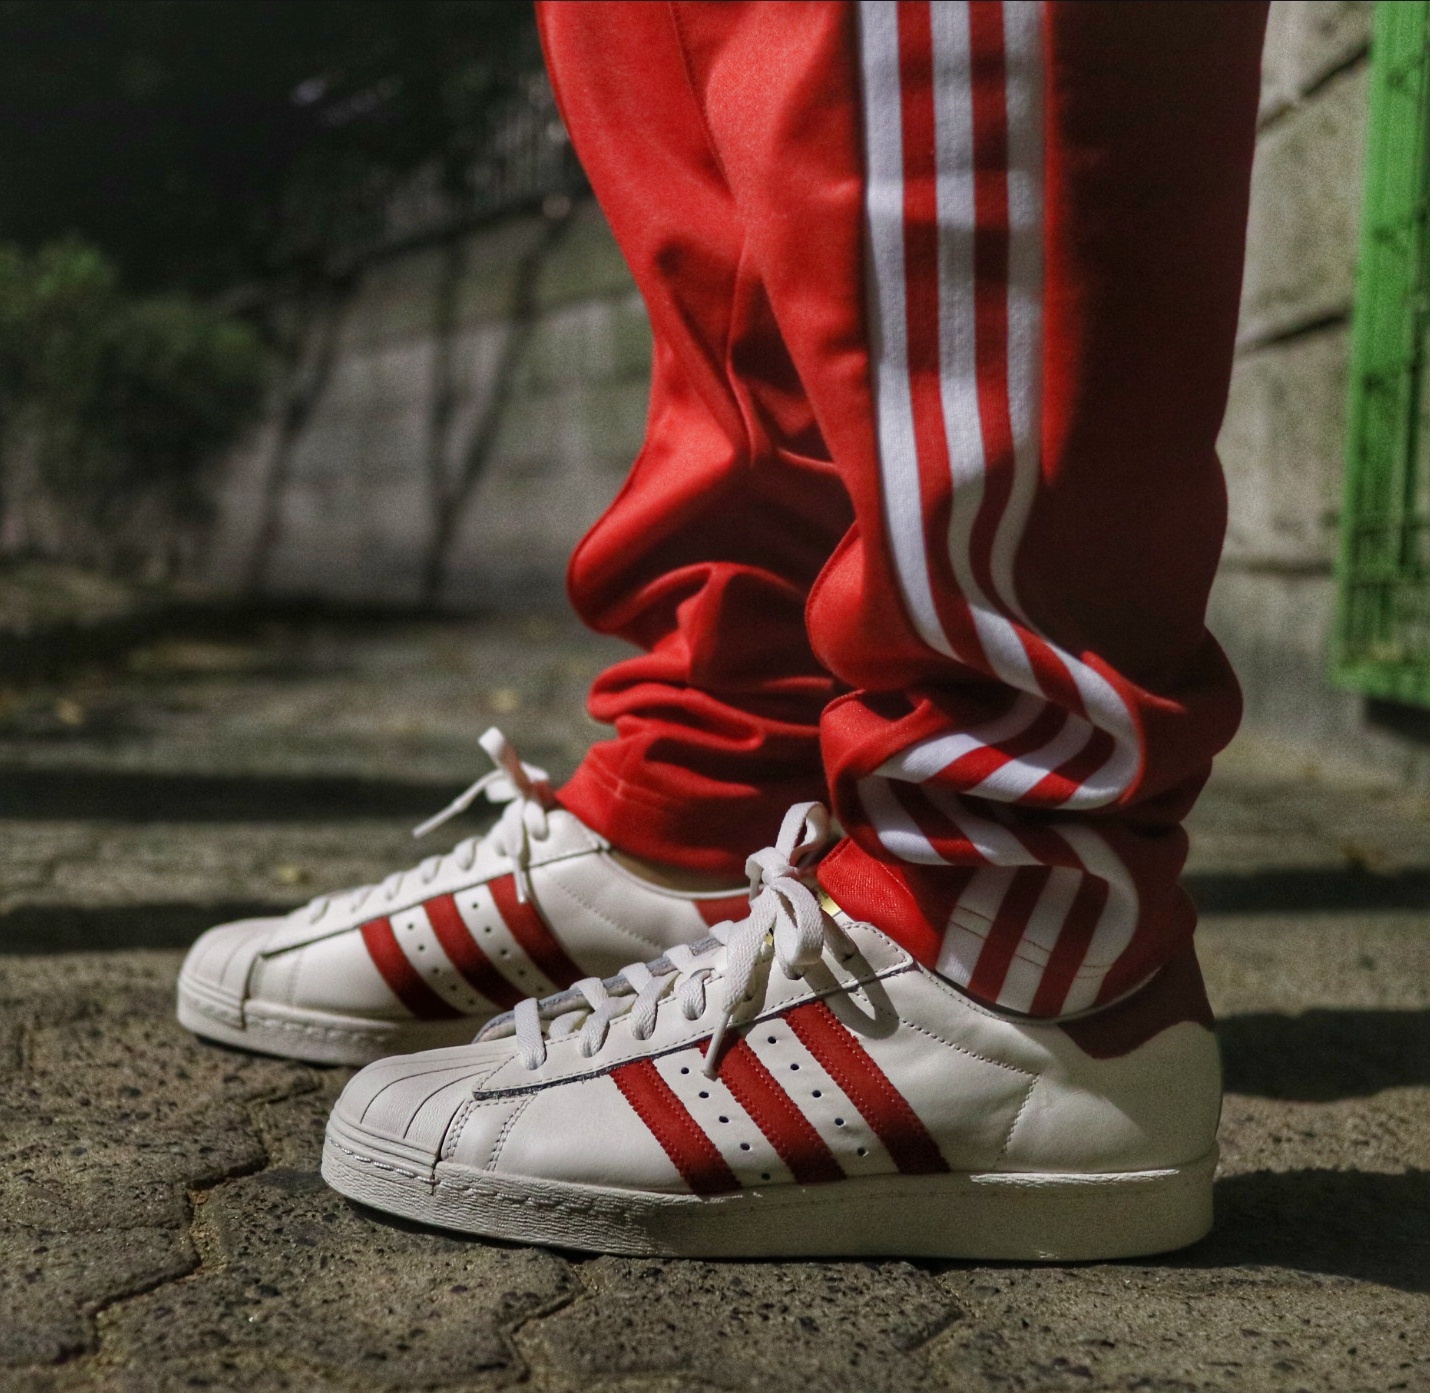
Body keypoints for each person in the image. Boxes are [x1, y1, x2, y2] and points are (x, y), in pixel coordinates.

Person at [178, 0, 1267, 1260]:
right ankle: (711, 798)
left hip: (1012, 947)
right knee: (700, 96)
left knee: (922, 51)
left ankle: (1007, 934)